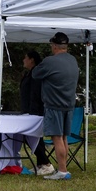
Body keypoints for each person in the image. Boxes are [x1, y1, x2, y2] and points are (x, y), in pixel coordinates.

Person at [31, 32, 79, 180]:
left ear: (54, 46)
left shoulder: (50, 61)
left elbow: (35, 74)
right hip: (69, 105)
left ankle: (62, 171)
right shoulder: (73, 60)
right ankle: (63, 169)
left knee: (57, 138)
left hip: (54, 105)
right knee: (64, 137)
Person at [20, 50, 54, 175]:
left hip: (34, 111)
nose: (24, 60)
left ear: (32, 59)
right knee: (33, 137)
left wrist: (32, 111)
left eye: (25, 57)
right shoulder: (31, 73)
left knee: (32, 136)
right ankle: (41, 164)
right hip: (28, 110)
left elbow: (35, 93)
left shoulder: (36, 74)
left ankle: (46, 163)